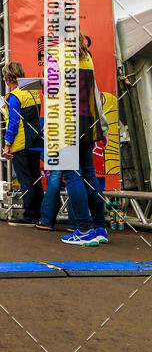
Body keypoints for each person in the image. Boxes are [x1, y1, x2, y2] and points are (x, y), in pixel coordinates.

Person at [55, 30, 109, 245]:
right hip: (88, 120)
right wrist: (103, 127)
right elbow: (95, 93)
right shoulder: (87, 57)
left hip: (66, 122)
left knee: (72, 175)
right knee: (89, 174)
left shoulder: (56, 55)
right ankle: (99, 228)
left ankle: (84, 229)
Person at [1, 62, 44, 226]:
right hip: (36, 141)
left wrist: (7, 144)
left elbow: (13, 123)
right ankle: (40, 214)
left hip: (21, 143)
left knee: (26, 180)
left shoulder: (14, 96)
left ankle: (30, 216)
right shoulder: (32, 92)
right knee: (35, 179)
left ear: (7, 78)